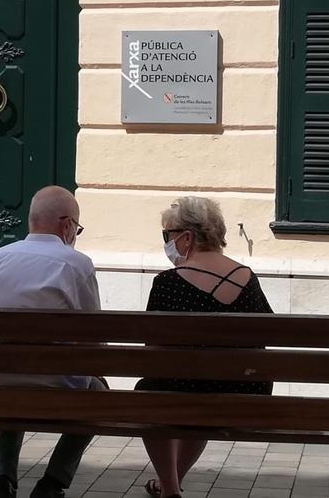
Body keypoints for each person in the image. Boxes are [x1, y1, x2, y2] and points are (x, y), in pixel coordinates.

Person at [136, 196, 274, 498]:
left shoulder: (168, 282)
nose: (166, 243)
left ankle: (170, 489)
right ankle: (167, 485)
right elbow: (266, 333)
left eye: (167, 236)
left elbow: (152, 351)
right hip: (243, 395)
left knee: (150, 389)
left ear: (186, 238)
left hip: (184, 391)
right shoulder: (247, 277)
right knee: (196, 389)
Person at [0, 185, 104, 498]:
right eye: (77, 228)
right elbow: (94, 335)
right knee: (100, 397)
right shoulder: (77, 264)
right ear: (67, 225)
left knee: (11, 373)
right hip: (58, 388)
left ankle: (3, 480)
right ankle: (52, 483)